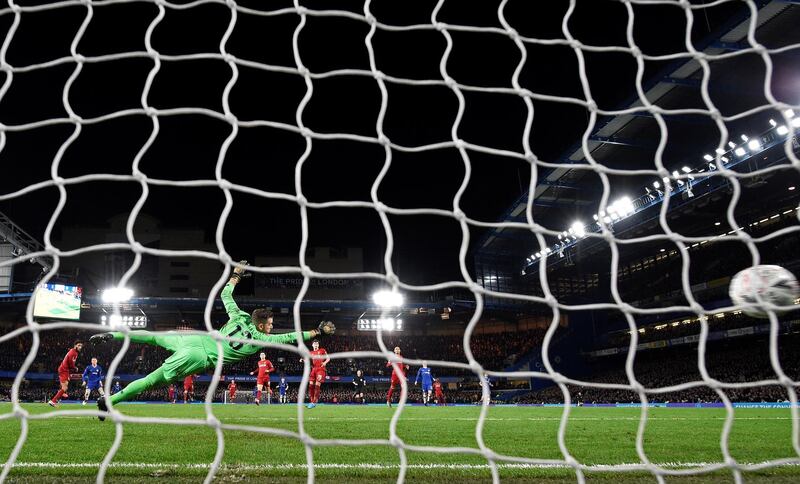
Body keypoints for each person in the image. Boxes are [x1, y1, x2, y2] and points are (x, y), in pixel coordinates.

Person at [90, 260, 335, 420]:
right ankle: (108, 402)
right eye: (270, 325)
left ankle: (113, 335)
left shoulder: (238, 314)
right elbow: (291, 337)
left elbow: (225, 293)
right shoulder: (261, 339)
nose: (272, 328)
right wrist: (318, 332)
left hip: (195, 338)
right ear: (261, 324)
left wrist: (236, 274)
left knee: (152, 337)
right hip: (199, 357)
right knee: (151, 382)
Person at [49, 340, 82, 407]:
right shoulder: (74, 353)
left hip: (63, 369)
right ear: (75, 345)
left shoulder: (72, 351)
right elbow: (71, 363)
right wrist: (75, 368)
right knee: (64, 388)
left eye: (81, 346)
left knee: (65, 385)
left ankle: (61, 392)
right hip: (64, 370)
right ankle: (53, 401)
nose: (80, 347)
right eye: (78, 345)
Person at [304, 340, 329, 409]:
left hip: (320, 369)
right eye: (314, 343)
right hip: (314, 369)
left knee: (317, 385)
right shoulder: (310, 353)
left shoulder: (322, 350)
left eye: (317, 343)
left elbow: (328, 358)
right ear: (312, 345)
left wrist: (325, 363)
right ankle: (312, 401)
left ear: (318, 345)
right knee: (310, 385)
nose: (316, 344)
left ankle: (314, 402)